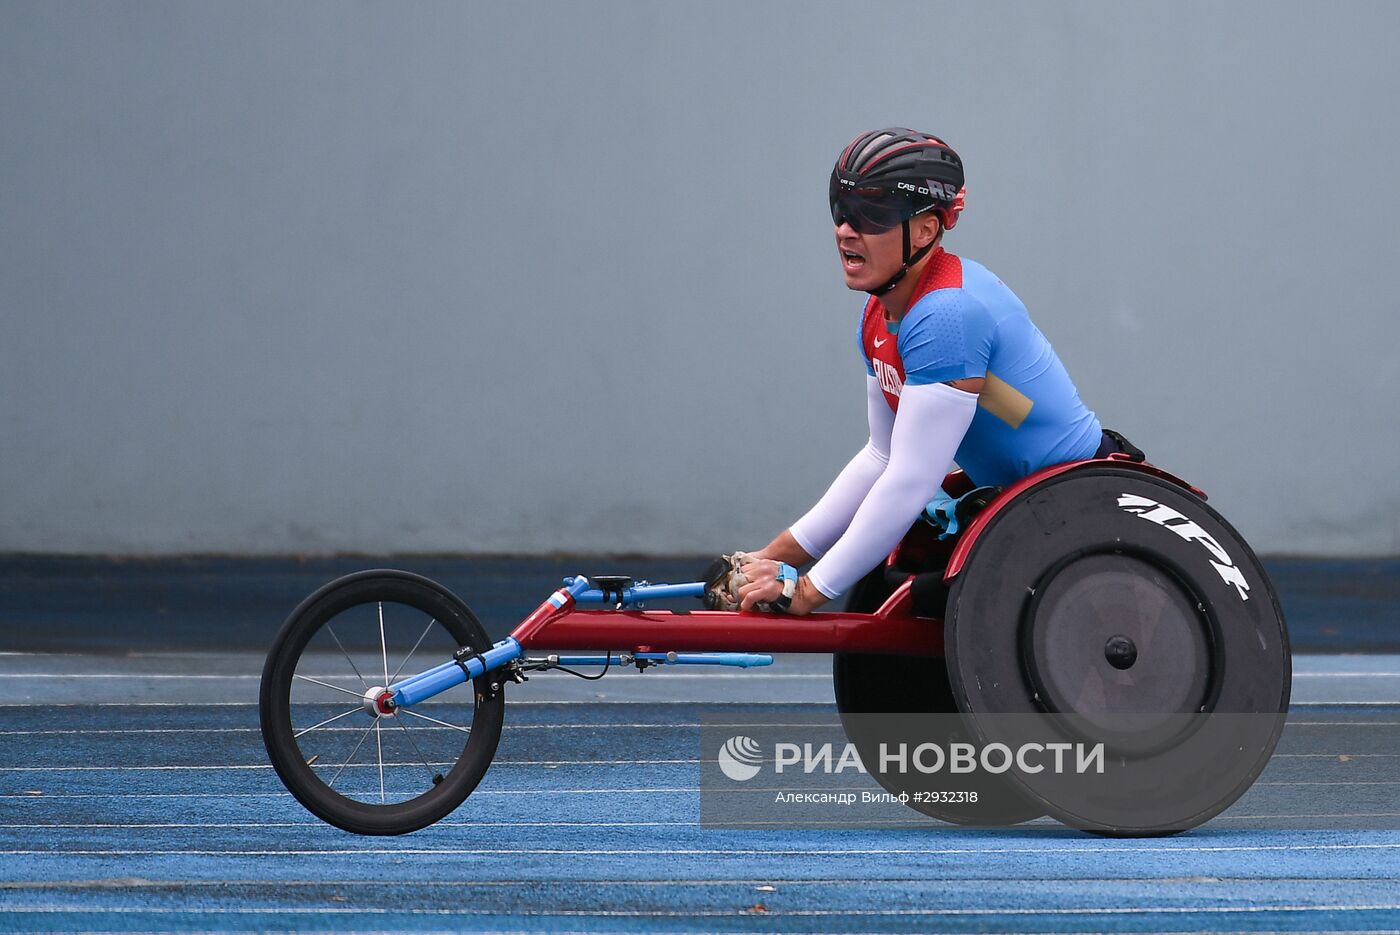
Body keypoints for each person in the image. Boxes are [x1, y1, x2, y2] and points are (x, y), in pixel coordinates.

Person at [730, 127, 1127, 616]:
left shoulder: (947, 315)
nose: (846, 231)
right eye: (841, 210)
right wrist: (771, 558)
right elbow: (881, 455)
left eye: (872, 215)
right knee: (897, 579)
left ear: (925, 230)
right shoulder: (880, 313)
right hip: (1015, 505)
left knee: (909, 589)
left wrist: (808, 591)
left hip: (1079, 505)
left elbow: (914, 477)